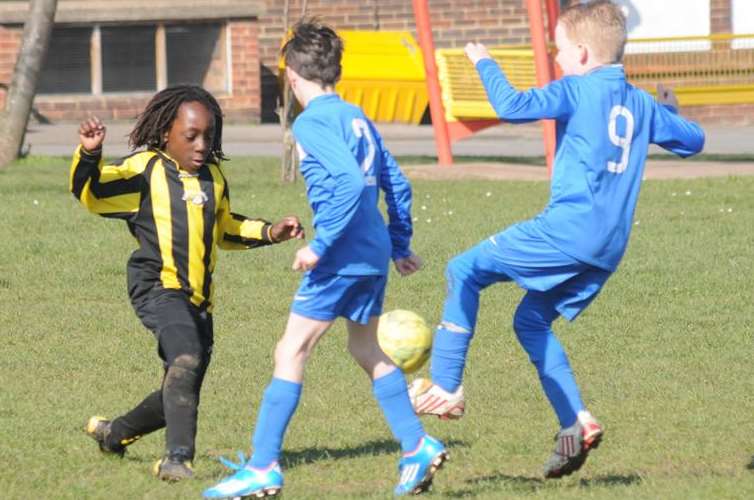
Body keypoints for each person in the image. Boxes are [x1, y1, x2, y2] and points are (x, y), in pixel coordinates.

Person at [409, 0, 705, 479]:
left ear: (583, 53)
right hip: (607, 250)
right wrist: (666, 109)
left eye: (561, 49)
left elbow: (510, 106)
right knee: (530, 321)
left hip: (566, 232)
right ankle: (575, 422)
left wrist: (484, 61)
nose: (558, 58)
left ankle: (445, 387)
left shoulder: (577, 89)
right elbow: (694, 141)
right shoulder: (641, 103)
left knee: (462, 269)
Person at [203, 21, 447, 498]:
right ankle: (416, 446)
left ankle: (262, 467)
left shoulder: (311, 122)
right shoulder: (356, 116)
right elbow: (395, 181)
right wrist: (397, 244)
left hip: (343, 256)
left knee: (290, 350)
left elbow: (352, 185)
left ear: (291, 76)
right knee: (366, 349)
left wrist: (320, 244)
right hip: (371, 252)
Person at [71, 85, 304, 481]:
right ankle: (177, 459)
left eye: (208, 136)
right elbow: (90, 192)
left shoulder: (213, 176)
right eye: (190, 136)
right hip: (157, 287)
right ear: (165, 133)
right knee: (186, 359)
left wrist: (271, 232)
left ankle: (114, 434)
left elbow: (225, 229)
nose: (201, 145)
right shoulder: (145, 169)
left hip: (200, 300)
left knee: (180, 390)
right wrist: (90, 154)